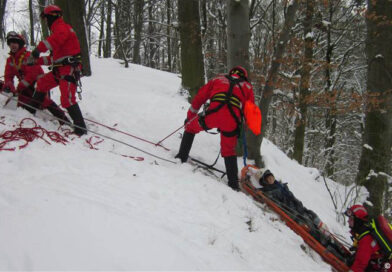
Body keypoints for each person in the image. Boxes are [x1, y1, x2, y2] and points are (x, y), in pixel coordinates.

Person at [175, 66, 255, 191]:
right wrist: (241, 128)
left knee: (190, 128)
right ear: (244, 76)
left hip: (212, 115)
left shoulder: (218, 79)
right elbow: (250, 113)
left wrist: (190, 118)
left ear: (231, 73)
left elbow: (200, 98)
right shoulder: (248, 87)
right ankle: (233, 184)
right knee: (228, 150)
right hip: (231, 121)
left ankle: (181, 157)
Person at [256, 169, 350, 261]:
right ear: (265, 182)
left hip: (303, 211)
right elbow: (275, 202)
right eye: (268, 178)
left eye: (271, 176)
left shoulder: (282, 186)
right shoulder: (269, 192)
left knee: (323, 231)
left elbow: (294, 199)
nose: (271, 179)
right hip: (296, 216)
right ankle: (340, 258)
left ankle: (343, 252)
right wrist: (261, 193)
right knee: (318, 236)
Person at [27, 5, 87, 136]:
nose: (46, 22)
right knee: (42, 83)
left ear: (51, 17)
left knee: (67, 99)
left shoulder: (62, 28)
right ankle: (30, 110)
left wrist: (38, 50)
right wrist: (35, 61)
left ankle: (81, 129)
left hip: (69, 69)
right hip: (60, 69)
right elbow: (53, 59)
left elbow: (51, 42)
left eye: (46, 19)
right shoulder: (58, 33)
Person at [1, 31, 69, 124]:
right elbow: (8, 76)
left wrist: (19, 87)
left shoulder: (28, 56)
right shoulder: (10, 60)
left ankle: (64, 120)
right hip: (25, 87)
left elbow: (32, 75)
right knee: (20, 103)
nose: (13, 45)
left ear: (20, 44)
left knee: (45, 101)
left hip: (39, 86)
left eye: (15, 42)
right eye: (11, 43)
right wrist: (9, 84)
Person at [345, 205, 391, 272]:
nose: (348, 221)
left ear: (358, 220)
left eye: (351, 219)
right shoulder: (368, 229)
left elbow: (360, 264)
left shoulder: (366, 238)